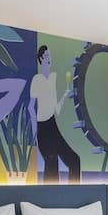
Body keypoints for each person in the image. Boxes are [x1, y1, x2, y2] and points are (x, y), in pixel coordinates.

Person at [29, 45, 80, 183]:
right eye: (46, 56)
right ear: (41, 58)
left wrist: (64, 95)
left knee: (75, 160)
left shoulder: (52, 78)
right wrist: (34, 132)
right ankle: (50, 194)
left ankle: (75, 193)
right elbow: (30, 107)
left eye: (49, 55)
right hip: (43, 128)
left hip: (53, 126)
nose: (49, 58)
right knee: (52, 161)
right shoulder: (37, 79)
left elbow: (56, 108)